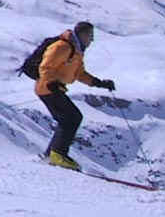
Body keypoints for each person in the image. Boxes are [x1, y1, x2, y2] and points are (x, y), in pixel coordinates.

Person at [36, 21, 115, 171]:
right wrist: (51, 82)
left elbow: (79, 74)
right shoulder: (62, 46)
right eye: (90, 36)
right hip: (47, 88)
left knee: (67, 119)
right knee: (72, 118)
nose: (91, 40)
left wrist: (99, 83)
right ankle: (58, 155)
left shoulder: (76, 51)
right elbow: (45, 66)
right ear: (82, 34)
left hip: (52, 88)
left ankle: (52, 154)